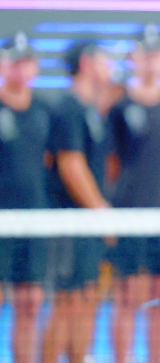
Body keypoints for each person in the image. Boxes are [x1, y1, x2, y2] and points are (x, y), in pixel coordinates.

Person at [105, 26, 160, 363]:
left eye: (158, 54)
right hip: (129, 215)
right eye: (145, 54)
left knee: (159, 296)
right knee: (126, 296)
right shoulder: (119, 106)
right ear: (133, 59)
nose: (151, 61)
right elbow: (111, 163)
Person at [42, 41, 113, 363]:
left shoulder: (90, 109)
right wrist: (102, 213)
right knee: (66, 302)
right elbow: (71, 164)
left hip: (87, 226)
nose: (110, 66)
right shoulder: (68, 108)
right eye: (104, 59)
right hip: (69, 222)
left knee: (87, 299)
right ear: (87, 63)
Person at [0, 33, 58, 363]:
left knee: (30, 302)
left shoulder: (44, 112)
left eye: (26, 62)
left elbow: (50, 162)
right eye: (13, 61)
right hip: (1, 223)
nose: (20, 69)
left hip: (34, 222)